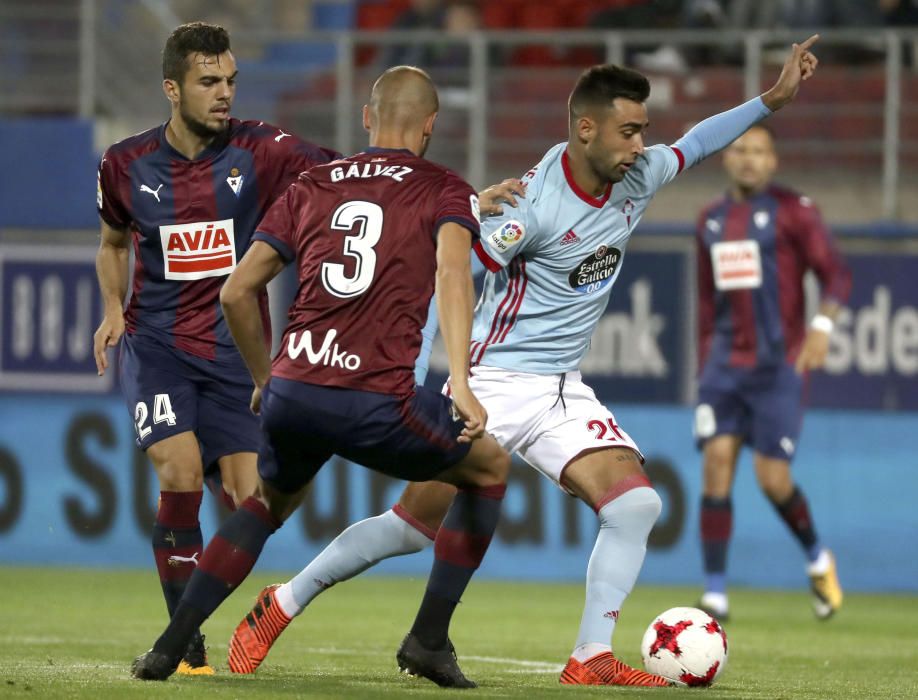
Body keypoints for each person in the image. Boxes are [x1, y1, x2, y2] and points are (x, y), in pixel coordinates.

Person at [226, 36, 823, 686]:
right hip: (496, 383)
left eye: (643, 131)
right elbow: (446, 276)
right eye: (628, 132)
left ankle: (590, 655)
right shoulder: (531, 206)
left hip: (563, 389)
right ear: (585, 129)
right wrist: (435, 372)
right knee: (410, 526)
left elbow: (700, 141)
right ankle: (284, 601)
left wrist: (772, 99)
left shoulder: (640, 173)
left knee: (635, 507)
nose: (639, 145)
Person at [130, 65, 512, 688]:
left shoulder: (313, 183)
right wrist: (461, 381)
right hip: (377, 400)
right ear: (432, 126)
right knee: (489, 467)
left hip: (295, 389)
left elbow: (235, 292)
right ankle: (429, 641)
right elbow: (452, 273)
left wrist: (264, 378)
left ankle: (169, 648)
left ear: (367, 119)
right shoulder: (444, 186)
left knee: (266, 504)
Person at [92, 21, 340, 675]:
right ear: (172, 88)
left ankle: (191, 617)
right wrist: (114, 308)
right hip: (159, 346)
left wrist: (444, 197)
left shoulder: (267, 150)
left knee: (256, 500)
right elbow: (113, 245)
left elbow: (354, 176)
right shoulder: (124, 164)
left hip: (236, 356)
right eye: (208, 82)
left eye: (230, 80)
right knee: (176, 471)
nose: (224, 92)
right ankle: (186, 640)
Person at [693, 124, 850, 622]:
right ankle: (715, 592)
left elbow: (836, 275)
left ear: (773, 160)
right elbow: (704, 300)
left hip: (778, 366)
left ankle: (817, 556)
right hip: (723, 366)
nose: (748, 159)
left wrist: (822, 326)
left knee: (772, 479)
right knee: (716, 464)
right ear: (726, 158)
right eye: (740, 149)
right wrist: (703, 365)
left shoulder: (795, 212)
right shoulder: (709, 220)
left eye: (758, 151)